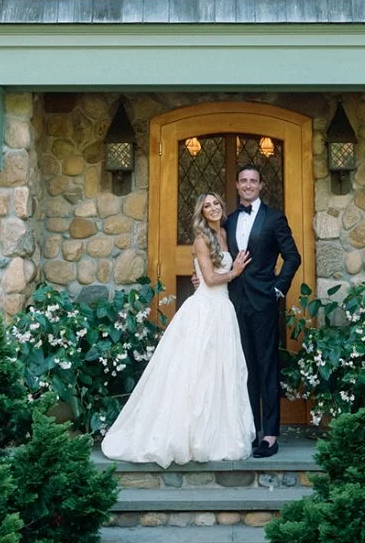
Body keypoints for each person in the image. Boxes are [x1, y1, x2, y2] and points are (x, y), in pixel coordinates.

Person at [100, 191, 254, 467]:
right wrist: (235, 272)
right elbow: (208, 277)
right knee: (195, 373)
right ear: (202, 213)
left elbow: (206, 275)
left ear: (222, 206)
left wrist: (223, 275)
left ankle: (217, 434)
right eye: (207, 206)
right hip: (205, 310)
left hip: (223, 310)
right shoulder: (201, 239)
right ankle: (187, 436)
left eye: (216, 203)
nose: (213, 208)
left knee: (220, 372)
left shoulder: (223, 236)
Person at [225, 166, 301, 459]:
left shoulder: (274, 218)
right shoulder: (230, 221)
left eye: (253, 181)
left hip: (264, 302)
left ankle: (269, 434)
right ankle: (249, 430)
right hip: (234, 303)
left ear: (261, 185)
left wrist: (279, 288)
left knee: (267, 366)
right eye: (243, 180)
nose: (248, 185)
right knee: (244, 369)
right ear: (236, 184)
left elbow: (293, 256)